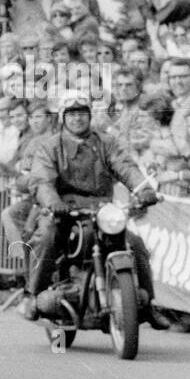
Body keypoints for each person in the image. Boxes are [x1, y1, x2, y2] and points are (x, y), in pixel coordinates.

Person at [20, 91, 170, 329]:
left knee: (136, 244)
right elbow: (41, 181)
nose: (77, 119)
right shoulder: (49, 147)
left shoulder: (105, 143)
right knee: (47, 236)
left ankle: (147, 303)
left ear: (89, 116)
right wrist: (53, 203)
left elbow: (125, 166)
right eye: (71, 114)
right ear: (63, 117)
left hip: (101, 210)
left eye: (82, 113)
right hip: (63, 211)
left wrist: (144, 190)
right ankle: (32, 294)